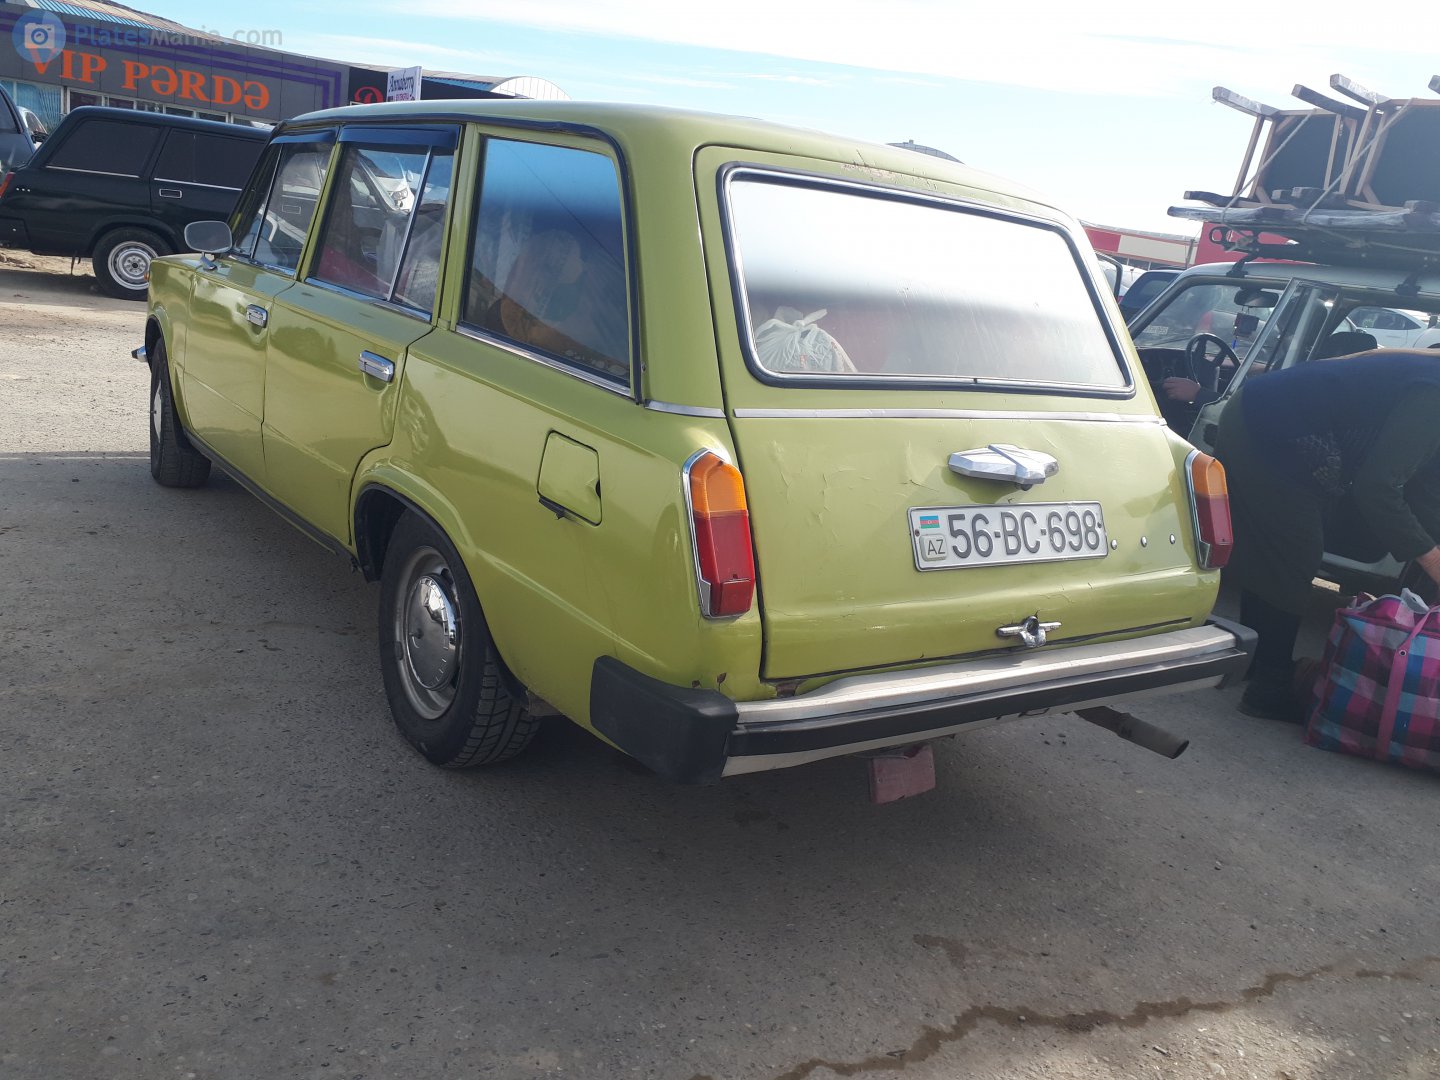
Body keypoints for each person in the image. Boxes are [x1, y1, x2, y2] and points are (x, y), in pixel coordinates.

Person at [1214, 351, 1440, 721]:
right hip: (1268, 425)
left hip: (1280, 421)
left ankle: (1253, 661)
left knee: (1277, 552)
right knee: (1295, 552)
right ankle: (1270, 687)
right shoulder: (1436, 391)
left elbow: (1424, 489)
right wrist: (1432, 560)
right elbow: (1378, 486)